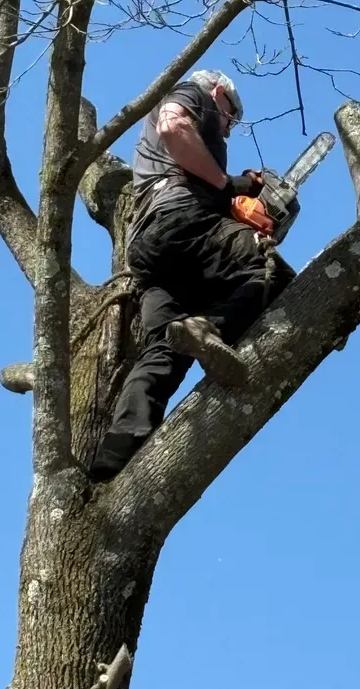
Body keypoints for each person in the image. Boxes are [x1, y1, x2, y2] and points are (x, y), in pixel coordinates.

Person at [90, 70, 295, 481]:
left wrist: (233, 203)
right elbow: (174, 125)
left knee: (166, 349)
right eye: (229, 118)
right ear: (219, 94)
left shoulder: (161, 165)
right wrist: (227, 185)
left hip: (153, 253)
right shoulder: (195, 95)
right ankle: (212, 328)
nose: (228, 128)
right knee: (272, 272)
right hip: (182, 220)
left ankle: (115, 454)